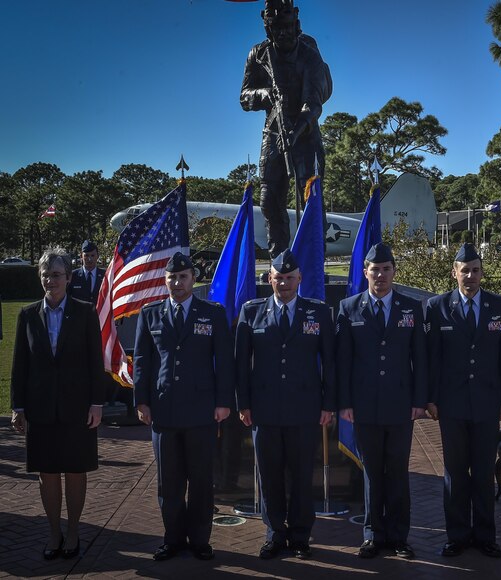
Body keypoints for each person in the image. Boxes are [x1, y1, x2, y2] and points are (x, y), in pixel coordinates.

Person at [235, 249, 336, 560]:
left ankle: (301, 535)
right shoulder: (252, 312)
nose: (285, 282)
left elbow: (330, 362)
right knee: (269, 475)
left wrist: (328, 403)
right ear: (270, 279)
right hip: (264, 410)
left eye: (290, 277)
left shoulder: (317, 313)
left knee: (303, 475)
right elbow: (240, 364)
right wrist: (244, 403)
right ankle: (275, 533)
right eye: (279, 277)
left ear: (300, 279)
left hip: (305, 409)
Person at [133, 252, 234, 562]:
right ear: (165, 280)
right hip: (164, 410)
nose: (176, 283)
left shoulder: (212, 314)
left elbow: (225, 362)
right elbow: (142, 361)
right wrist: (141, 401)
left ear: (193, 279)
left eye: (183, 277)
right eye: (171, 278)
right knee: (169, 482)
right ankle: (173, 538)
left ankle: (200, 540)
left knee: (201, 480)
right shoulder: (150, 314)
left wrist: (223, 402)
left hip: (202, 410)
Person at [10, 248, 104, 560]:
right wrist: (18, 407)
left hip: (77, 409)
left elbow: (94, 363)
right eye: (46, 275)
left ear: (68, 277)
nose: (51, 280)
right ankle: (54, 531)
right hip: (40, 409)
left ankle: (74, 530)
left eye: (57, 275)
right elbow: (19, 366)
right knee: (47, 473)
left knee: (76, 471)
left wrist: (96, 404)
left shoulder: (85, 312)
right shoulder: (27, 315)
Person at [336, 242, 427, 559]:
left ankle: (400, 536)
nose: (381, 275)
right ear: (365, 273)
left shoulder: (411, 308)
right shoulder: (349, 309)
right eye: (375, 269)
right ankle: (373, 535)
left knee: (398, 472)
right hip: (363, 406)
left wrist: (419, 400)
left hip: (401, 405)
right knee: (372, 473)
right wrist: (344, 402)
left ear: (393, 272)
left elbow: (421, 359)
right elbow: (343, 361)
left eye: (387, 269)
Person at [425, 243, 501, 558]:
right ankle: (458, 535)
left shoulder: (500, 306)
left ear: (481, 273)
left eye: (475, 270)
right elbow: (431, 358)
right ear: (454, 273)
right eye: (465, 270)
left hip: (488, 403)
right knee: (455, 472)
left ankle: (485, 535)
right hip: (451, 405)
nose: (471, 276)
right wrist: (431, 399)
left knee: (482, 471)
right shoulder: (437, 307)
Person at [240, 0, 332, 257]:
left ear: (296, 25)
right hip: (273, 130)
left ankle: (312, 259)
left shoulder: (309, 53)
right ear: (268, 27)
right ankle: (279, 260)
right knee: (269, 198)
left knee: (310, 197)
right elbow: (244, 97)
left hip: (306, 130)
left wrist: (297, 130)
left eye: (287, 27)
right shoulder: (257, 54)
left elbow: (313, 102)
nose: (282, 33)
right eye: (276, 28)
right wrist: (265, 94)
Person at [68, 240, 105, 304]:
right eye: (86, 256)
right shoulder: (73, 276)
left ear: (98, 256)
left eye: (92, 255)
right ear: (81, 256)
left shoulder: (105, 275)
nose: (89, 259)